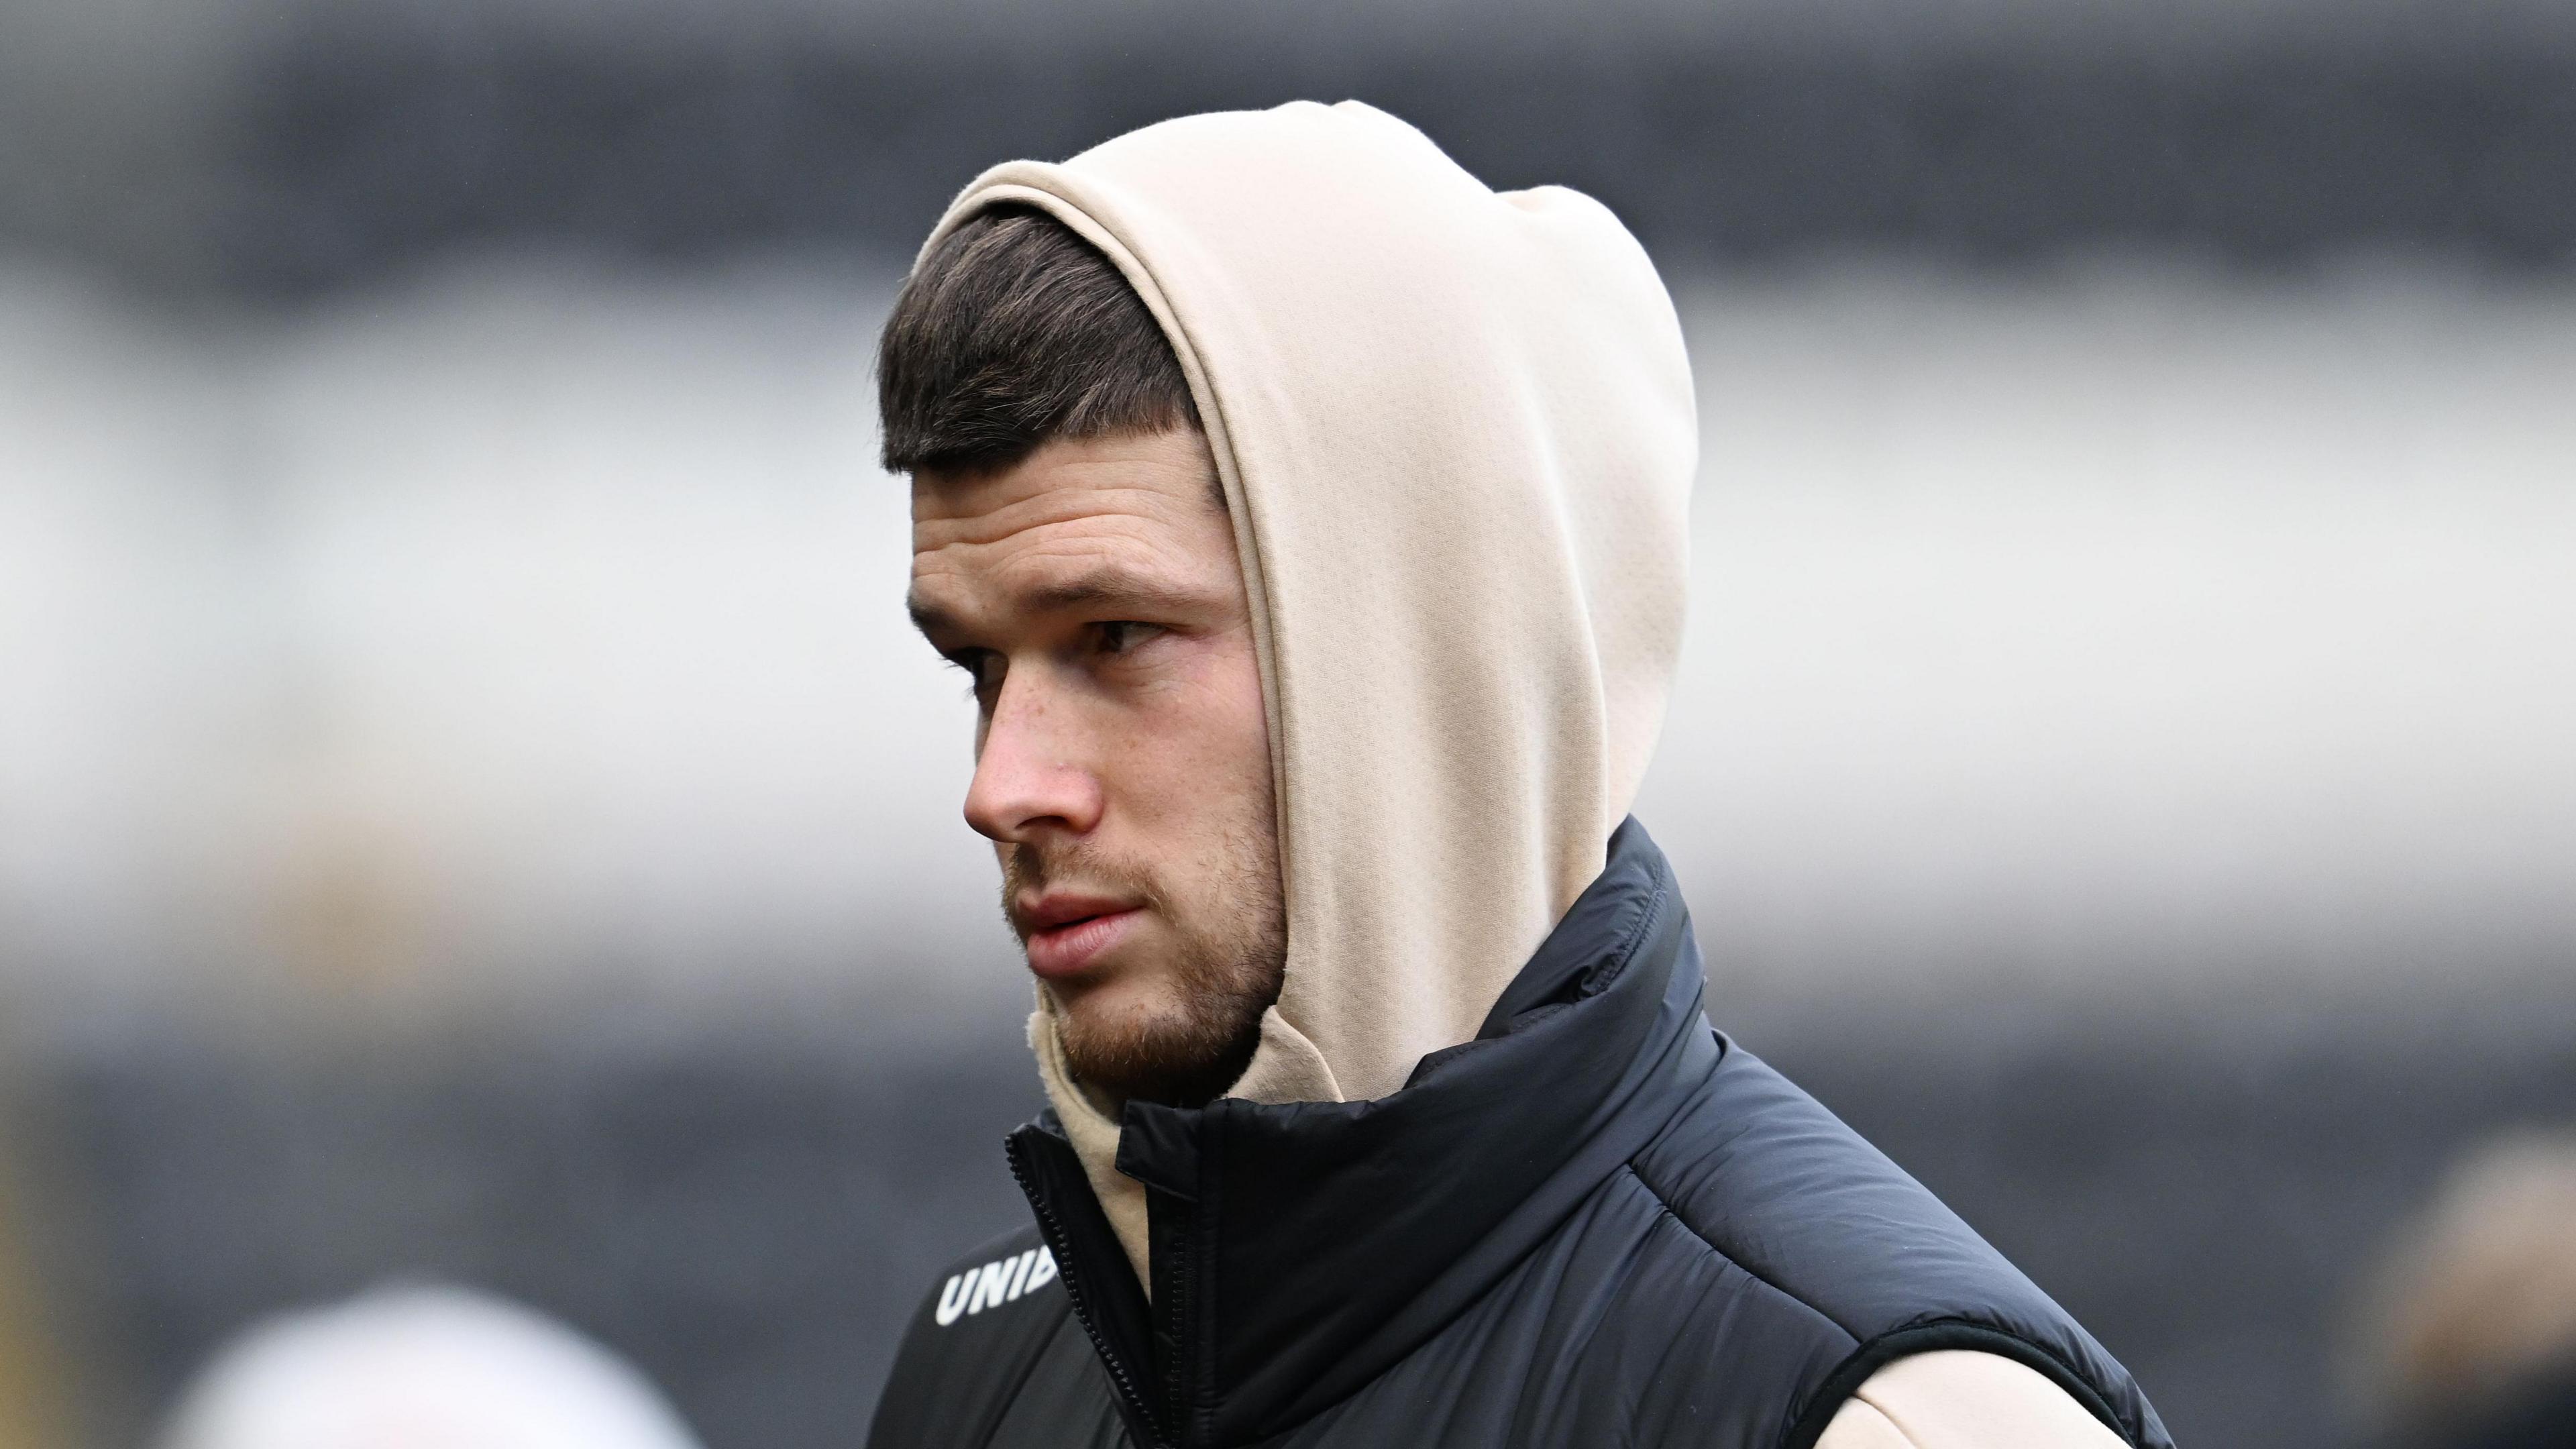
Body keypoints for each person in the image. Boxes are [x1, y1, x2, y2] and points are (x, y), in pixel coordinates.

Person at [865, 101, 2168, 1449]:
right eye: (979, 669)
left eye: (1115, 639)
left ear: (1408, 653)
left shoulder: (1881, 1423)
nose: (1003, 785)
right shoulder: (983, 1380)